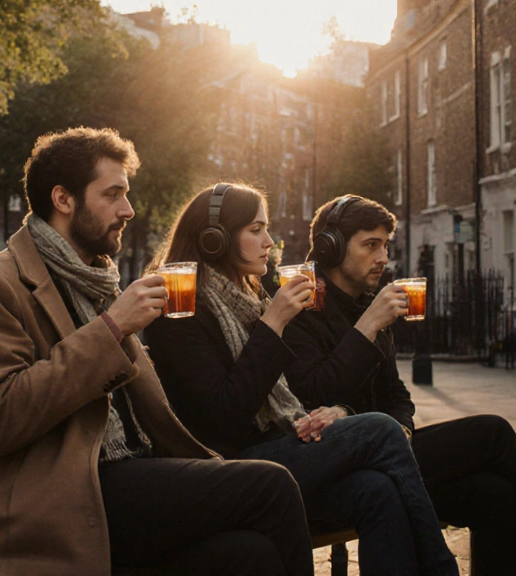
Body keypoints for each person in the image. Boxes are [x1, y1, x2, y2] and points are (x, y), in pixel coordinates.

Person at [0, 129, 313, 576]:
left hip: (127, 479)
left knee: (251, 554)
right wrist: (112, 329)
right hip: (54, 497)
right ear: (63, 199)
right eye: (113, 195)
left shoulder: (97, 283)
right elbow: (0, 418)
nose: (128, 210)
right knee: (271, 485)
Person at [145, 183, 459, 576]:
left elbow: (295, 392)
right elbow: (221, 415)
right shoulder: (182, 309)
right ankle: (443, 569)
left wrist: (333, 412)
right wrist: (273, 322)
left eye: (267, 229)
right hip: (226, 466)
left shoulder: (248, 299)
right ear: (215, 238)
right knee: (381, 429)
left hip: (278, 445)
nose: (270, 242)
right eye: (256, 230)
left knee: (376, 491)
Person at [281, 194, 516, 576]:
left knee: (494, 493)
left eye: (386, 245)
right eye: (371, 245)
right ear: (331, 248)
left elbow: (398, 397)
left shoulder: (366, 303)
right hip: (342, 465)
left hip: (392, 453)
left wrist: (401, 428)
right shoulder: (301, 309)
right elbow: (313, 395)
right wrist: (367, 327)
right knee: (492, 433)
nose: (383, 258)